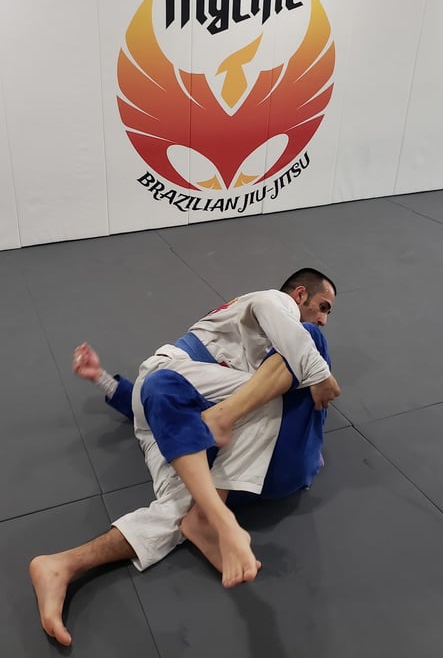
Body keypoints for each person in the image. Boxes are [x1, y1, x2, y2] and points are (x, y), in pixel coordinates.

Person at [30, 269, 340, 646]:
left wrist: (104, 381)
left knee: (181, 505)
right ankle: (216, 512)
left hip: (166, 413)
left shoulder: (248, 351)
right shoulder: (278, 305)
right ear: (300, 294)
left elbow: (146, 400)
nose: (324, 318)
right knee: (303, 350)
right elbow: (266, 309)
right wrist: (320, 374)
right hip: (181, 391)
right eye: (323, 306)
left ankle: (64, 564)